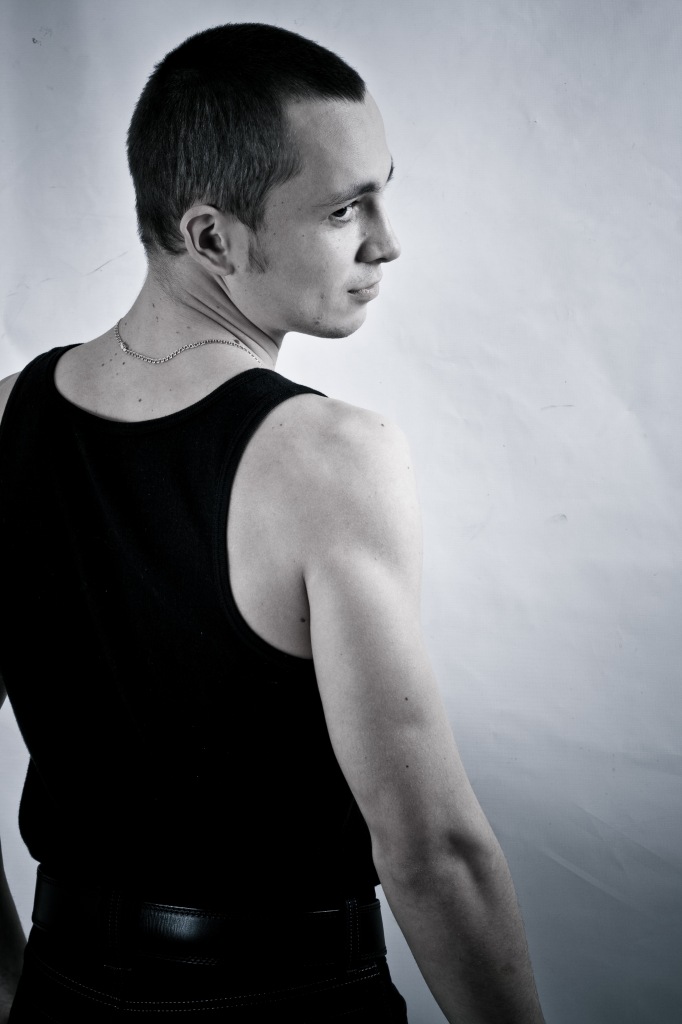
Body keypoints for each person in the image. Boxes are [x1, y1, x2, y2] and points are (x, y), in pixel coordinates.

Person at [0, 22, 546, 1023]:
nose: (385, 241)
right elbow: (431, 847)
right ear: (213, 238)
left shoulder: (4, 419)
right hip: (287, 998)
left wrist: (10, 984)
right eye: (343, 209)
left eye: (381, 192)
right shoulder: (327, 456)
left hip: (59, 987)